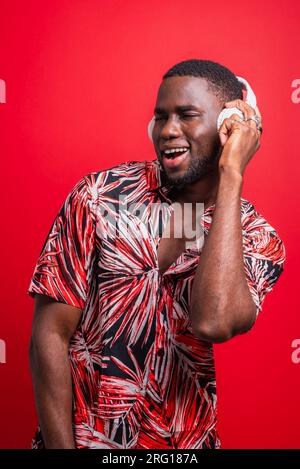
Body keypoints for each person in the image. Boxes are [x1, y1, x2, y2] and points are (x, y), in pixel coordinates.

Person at [27, 59, 285, 449]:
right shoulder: (99, 197)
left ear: (229, 125)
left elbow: (213, 322)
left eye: (186, 115)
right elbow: (50, 335)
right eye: (160, 117)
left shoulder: (258, 236)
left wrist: (231, 173)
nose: (167, 131)